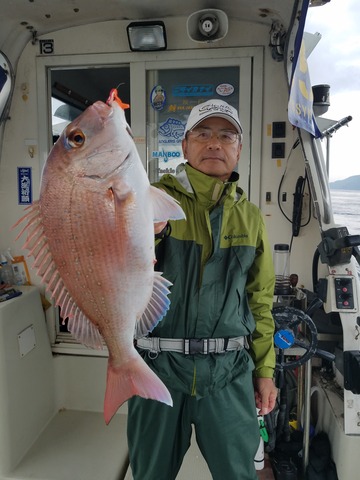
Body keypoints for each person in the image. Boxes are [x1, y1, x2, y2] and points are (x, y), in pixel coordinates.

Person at [127, 99, 277, 480]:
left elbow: (259, 301)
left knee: (238, 474)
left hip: (229, 373)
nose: (215, 143)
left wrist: (265, 370)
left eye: (226, 135)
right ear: (185, 147)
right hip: (156, 369)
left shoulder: (251, 216)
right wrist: (145, 234)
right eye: (203, 134)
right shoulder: (150, 201)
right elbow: (115, 265)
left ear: (239, 149)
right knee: (150, 474)